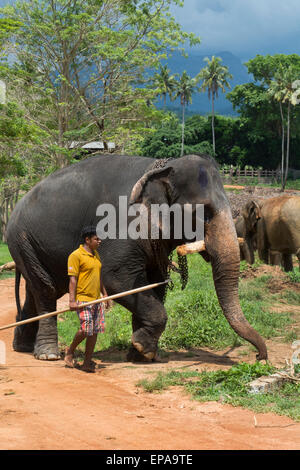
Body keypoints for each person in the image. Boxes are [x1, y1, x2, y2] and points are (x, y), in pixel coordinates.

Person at [64, 226, 107, 373]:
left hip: (97, 299)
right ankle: (70, 351)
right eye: (96, 239)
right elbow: (73, 280)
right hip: (83, 299)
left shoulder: (96, 255)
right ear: (87, 240)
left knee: (94, 331)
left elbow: (99, 277)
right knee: (85, 329)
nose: (99, 241)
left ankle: (87, 363)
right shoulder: (75, 255)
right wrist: (72, 300)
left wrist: (105, 295)